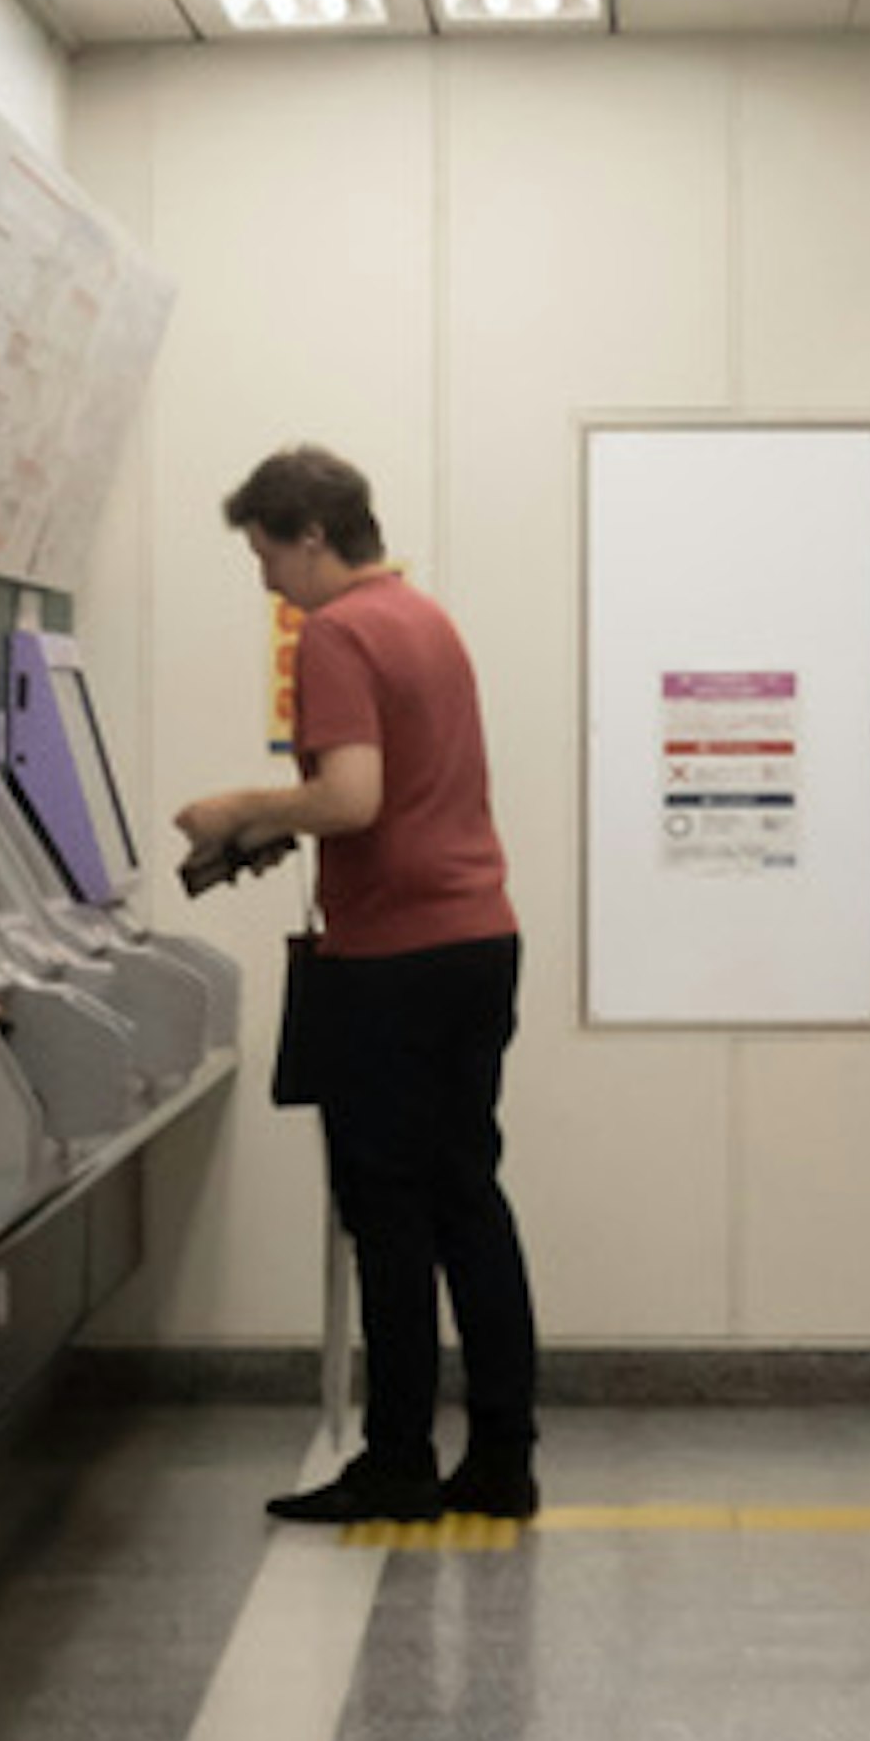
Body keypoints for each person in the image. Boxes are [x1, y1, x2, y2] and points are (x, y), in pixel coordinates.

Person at [175, 444, 542, 1534]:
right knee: (468, 1196)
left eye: (266, 553)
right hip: (480, 940)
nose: (265, 582)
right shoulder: (426, 619)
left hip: (393, 961)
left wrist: (237, 805)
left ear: (314, 537)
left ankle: (394, 1463)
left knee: (386, 1211)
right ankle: (503, 1456)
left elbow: (352, 799)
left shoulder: (336, 633)